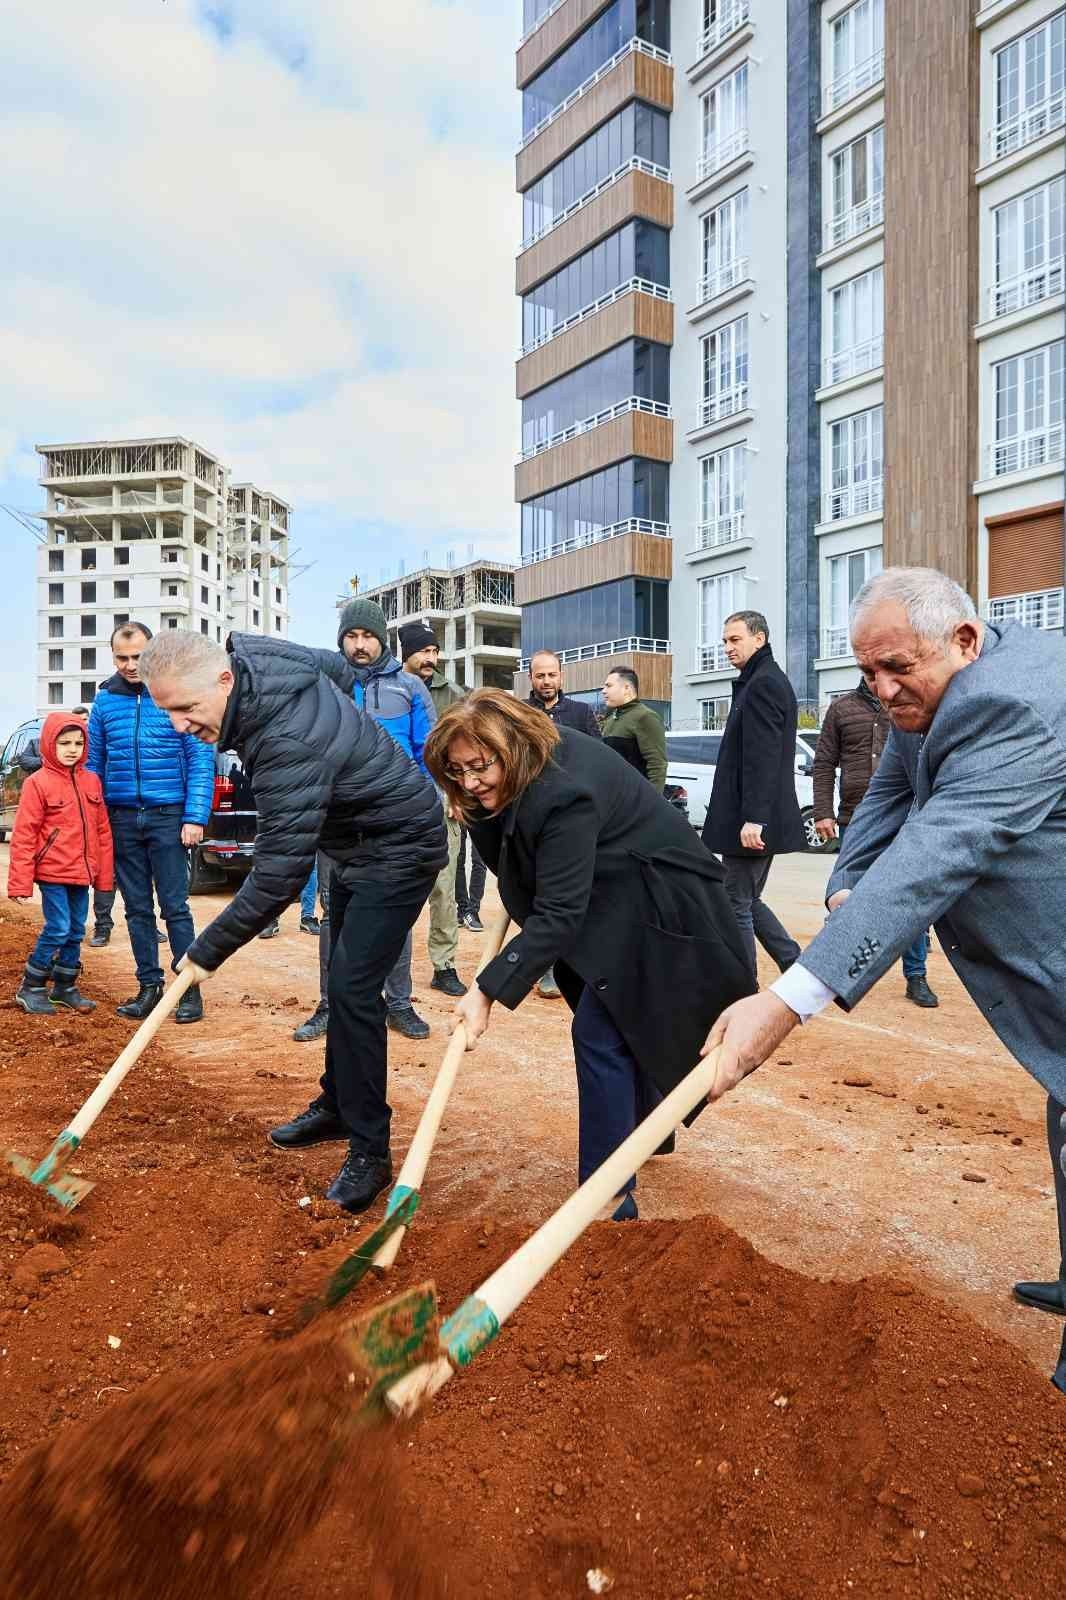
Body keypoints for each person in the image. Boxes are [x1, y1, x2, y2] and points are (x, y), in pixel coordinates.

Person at [700, 567, 1066, 1397]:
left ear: (963, 640)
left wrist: (786, 1000)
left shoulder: (1011, 707)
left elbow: (936, 853)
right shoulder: (930, 693)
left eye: (897, 668)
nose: (882, 690)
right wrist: (845, 882)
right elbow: (892, 796)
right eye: (868, 672)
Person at [138, 629, 447, 1213]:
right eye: (167, 711)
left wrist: (205, 950)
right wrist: (349, 745)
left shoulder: (285, 742)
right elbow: (340, 669)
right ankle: (338, 1105)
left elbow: (279, 876)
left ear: (224, 680)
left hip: (401, 844)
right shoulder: (260, 657)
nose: (179, 726)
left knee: (354, 990)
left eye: (186, 708)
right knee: (341, 983)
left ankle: (370, 1149)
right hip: (353, 839)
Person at [427, 690, 755, 1220]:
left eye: (480, 766)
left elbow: (559, 913)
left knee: (600, 1034)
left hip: (664, 903)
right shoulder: (511, 779)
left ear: (510, 747)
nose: (469, 782)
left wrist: (485, 991)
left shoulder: (562, 792)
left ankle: (609, 1194)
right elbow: (516, 863)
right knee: (622, 1021)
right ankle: (644, 1134)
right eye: (456, 770)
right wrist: (482, 808)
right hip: (614, 890)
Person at [87, 623, 214, 1024]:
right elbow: (94, 764)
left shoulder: (175, 693)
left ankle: (188, 990)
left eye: (137, 657)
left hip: (169, 816)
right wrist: (95, 819)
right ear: (112, 657)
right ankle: (149, 987)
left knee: (175, 907)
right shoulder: (104, 702)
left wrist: (195, 816)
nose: (129, 665)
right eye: (121, 657)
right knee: (137, 909)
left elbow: (200, 757)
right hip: (122, 817)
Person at [812, 677, 938, 1008]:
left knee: (907, 895)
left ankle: (916, 975)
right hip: (855, 817)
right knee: (846, 895)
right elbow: (824, 763)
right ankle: (833, 973)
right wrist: (823, 811)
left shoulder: (908, 705)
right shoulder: (841, 709)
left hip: (904, 817)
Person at [701, 610, 805, 981]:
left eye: (735, 639)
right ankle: (795, 963)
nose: (727, 647)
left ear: (759, 639)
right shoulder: (760, 680)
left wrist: (754, 819)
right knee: (746, 899)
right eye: (725, 641)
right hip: (753, 816)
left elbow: (763, 757)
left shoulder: (764, 683)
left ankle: (743, 984)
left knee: (735, 903)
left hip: (753, 819)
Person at [8, 713, 113, 1014]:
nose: (72, 749)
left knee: (77, 930)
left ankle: (65, 987)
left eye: (78, 743)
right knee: (58, 928)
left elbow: (103, 832)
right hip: (52, 871)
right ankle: (31, 986)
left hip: (81, 872)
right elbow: (24, 834)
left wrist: (104, 878)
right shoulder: (37, 783)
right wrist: (20, 882)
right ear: (48, 744)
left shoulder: (91, 781)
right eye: (64, 743)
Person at [399, 620, 478, 957]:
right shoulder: (389, 689)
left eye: (434, 651)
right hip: (396, 803)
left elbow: (470, 749)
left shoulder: (454, 696)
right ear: (406, 653)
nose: (431, 658)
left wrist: (459, 794)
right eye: (423, 651)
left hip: (442, 802)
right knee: (395, 888)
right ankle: (390, 968)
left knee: (444, 888)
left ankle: (444, 964)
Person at [600, 667, 668, 790]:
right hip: (611, 795)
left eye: (609, 686)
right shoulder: (610, 719)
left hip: (634, 796)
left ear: (626, 688)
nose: (603, 691)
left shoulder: (645, 716)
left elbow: (657, 765)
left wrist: (652, 800)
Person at [527, 650, 602, 737]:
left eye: (552, 675)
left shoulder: (582, 712)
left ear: (561, 676)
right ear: (530, 678)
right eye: (540, 676)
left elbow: (597, 745)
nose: (546, 681)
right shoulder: (518, 712)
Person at [454, 824, 487, 932]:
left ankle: (472, 910)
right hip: (459, 815)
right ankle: (463, 909)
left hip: (480, 816)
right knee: (457, 861)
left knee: (480, 861)